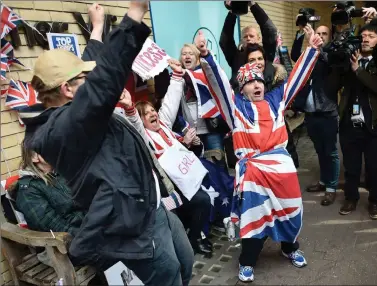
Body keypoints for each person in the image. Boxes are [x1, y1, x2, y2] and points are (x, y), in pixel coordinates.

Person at [26, 2, 194, 285]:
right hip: (138, 227)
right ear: (68, 89)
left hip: (153, 206)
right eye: (85, 80)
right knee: (168, 276)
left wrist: (97, 29)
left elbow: (92, 71)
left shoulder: (73, 113)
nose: (91, 82)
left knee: (185, 262)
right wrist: (135, 13)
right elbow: (104, 79)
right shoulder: (67, 128)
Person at [198, 29, 323, 282]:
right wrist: (208, 57)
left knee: (290, 211)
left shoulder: (277, 99)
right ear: (242, 88)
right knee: (253, 218)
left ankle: (290, 248)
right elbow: (220, 85)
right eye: (249, 82)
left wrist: (311, 49)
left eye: (259, 81)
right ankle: (248, 261)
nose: (256, 85)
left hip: (282, 172)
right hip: (253, 175)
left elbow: (296, 80)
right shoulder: (235, 107)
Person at [119, 60, 214, 255]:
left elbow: (170, 101)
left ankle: (194, 237)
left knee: (204, 200)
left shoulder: (164, 126)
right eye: (146, 114)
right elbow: (135, 123)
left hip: (185, 181)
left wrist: (177, 76)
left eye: (153, 110)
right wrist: (130, 109)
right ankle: (182, 244)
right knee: (175, 213)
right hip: (166, 189)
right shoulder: (144, 137)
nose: (153, 114)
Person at [336, 22, 377, 219]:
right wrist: (344, 65)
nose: (366, 38)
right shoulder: (349, 60)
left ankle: (375, 202)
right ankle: (351, 198)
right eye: (363, 35)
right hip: (350, 124)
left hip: (375, 125)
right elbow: (333, 85)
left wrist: (358, 70)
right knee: (351, 166)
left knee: (375, 167)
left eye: (371, 36)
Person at [290, 23, 340, 206]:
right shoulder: (310, 54)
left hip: (327, 113)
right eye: (317, 33)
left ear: (330, 36)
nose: (320, 36)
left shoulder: (332, 54)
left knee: (331, 152)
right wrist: (300, 33)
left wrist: (317, 48)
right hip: (310, 113)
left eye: (324, 34)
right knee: (319, 151)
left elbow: (329, 62)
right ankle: (323, 181)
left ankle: (331, 188)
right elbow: (295, 55)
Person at [242, 43, 300, 168]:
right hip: (256, 146)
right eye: (252, 60)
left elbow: (296, 79)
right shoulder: (240, 85)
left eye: (260, 58)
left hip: (280, 141)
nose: (257, 62)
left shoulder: (277, 78)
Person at [9, 141, 84, 236]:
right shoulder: (28, 190)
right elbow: (53, 225)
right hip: (74, 239)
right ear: (34, 157)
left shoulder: (62, 172)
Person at [177, 43, 229, 170]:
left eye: (191, 53)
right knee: (199, 168)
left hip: (211, 130)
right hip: (191, 132)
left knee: (218, 164)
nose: (187, 56)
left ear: (197, 58)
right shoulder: (176, 79)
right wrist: (185, 130)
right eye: (184, 54)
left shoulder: (205, 75)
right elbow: (176, 110)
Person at [220, 1, 278, 91]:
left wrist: (252, 4)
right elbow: (225, 41)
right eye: (245, 36)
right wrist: (233, 10)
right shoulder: (235, 56)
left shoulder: (266, 53)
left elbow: (270, 30)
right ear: (241, 39)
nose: (248, 38)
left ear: (259, 38)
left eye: (251, 36)